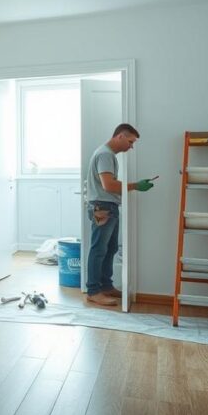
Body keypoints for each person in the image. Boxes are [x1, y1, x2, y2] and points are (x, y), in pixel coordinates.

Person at [85, 123, 154, 306]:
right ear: (120, 137)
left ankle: (106, 286)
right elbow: (109, 185)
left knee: (110, 249)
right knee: (99, 249)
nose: (131, 146)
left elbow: (109, 185)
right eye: (130, 142)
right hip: (103, 207)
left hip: (108, 207)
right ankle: (93, 291)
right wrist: (136, 186)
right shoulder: (105, 155)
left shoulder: (108, 155)